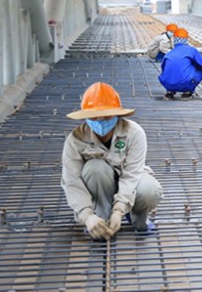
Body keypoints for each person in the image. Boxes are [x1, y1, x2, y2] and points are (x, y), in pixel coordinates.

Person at [62, 82, 162, 240]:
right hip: (100, 184)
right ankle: (100, 221)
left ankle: (136, 219)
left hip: (129, 183)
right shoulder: (75, 140)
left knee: (149, 188)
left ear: (117, 115)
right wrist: (87, 216)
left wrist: (119, 210)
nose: (101, 120)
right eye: (95, 116)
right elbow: (72, 181)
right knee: (94, 168)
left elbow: (131, 175)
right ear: (86, 117)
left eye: (107, 115)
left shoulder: (134, 133)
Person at [159, 28, 202, 99]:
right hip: (185, 83)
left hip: (166, 83)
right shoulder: (191, 50)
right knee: (200, 71)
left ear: (174, 39)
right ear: (186, 39)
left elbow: (163, 68)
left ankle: (170, 92)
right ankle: (187, 93)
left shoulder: (169, 53)